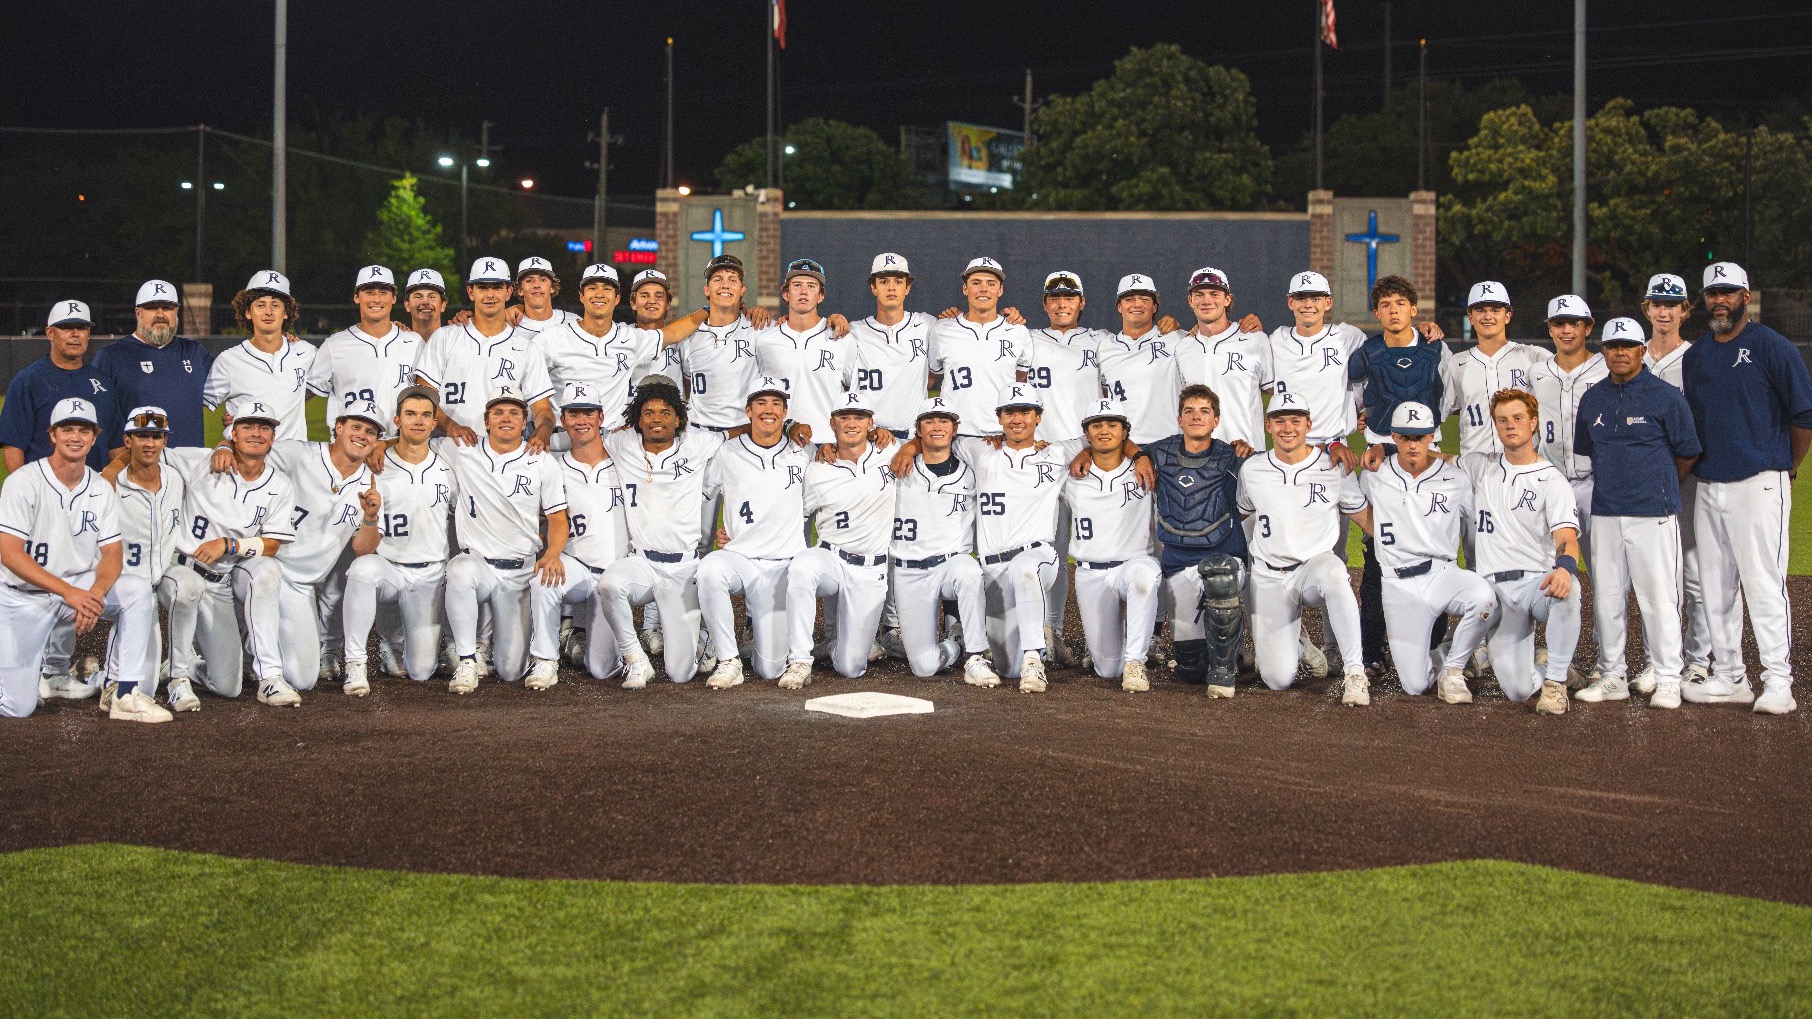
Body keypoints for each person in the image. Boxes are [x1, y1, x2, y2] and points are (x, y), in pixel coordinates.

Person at [1680, 262, 1812, 714]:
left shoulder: (1773, 347)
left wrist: (1785, 467)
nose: (1721, 300)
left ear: (1746, 296)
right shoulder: (1696, 355)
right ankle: (1729, 676)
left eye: (1729, 292)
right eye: (1713, 293)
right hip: (1709, 484)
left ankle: (1779, 681)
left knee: (1763, 583)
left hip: (1759, 483)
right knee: (1716, 587)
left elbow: (1803, 417)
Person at [895, 385, 1079, 690]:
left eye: (1025, 412)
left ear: (1038, 417)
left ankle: (1035, 658)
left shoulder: (1057, 452)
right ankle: (996, 653)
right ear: (1000, 417)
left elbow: (1106, 438)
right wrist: (908, 447)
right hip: (994, 569)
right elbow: (936, 438)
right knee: (1008, 668)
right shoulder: (980, 449)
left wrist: (1136, 456)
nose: (1017, 419)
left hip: (1039, 556)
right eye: (1010, 412)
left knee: (1024, 568)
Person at [0, 398, 161, 722]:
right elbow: (9, 553)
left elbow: (112, 554)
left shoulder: (100, 489)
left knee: (136, 590)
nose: (76, 436)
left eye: (83, 430)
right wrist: (71, 594)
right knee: (20, 707)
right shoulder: (24, 482)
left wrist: (95, 594)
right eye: (68, 429)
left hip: (75, 586)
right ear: (53, 435)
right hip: (21, 600)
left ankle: (123, 692)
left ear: (94, 436)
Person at [1569, 317, 1701, 709]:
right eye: (1613, 346)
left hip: (1652, 512)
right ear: (1604, 351)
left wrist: (1659, 485)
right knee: (1607, 597)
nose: (1620, 352)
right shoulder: (1592, 399)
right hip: (1607, 510)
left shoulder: (1665, 396)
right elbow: (1591, 449)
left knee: (1659, 599)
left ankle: (1667, 677)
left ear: (1642, 351)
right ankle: (1612, 676)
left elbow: (1688, 450)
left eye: (1628, 346)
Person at [214, 399, 386, 696]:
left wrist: (370, 518)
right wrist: (224, 447)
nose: (362, 435)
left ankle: (248, 640)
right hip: (260, 565)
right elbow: (250, 447)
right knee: (265, 576)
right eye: (356, 426)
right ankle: (244, 643)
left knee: (304, 679)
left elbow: (363, 549)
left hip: (300, 585)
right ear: (339, 427)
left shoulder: (372, 483)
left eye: (370, 431)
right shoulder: (299, 454)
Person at [158, 398, 296, 709]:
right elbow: (146, 450)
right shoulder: (201, 462)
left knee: (228, 685)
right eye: (247, 426)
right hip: (178, 570)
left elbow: (272, 544)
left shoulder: (279, 485)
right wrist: (111, 471)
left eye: (264, 428)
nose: (256, 433)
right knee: (187, 587)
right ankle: (177, 680)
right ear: (233, 432)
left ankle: (193, 667)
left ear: (273, 437)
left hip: (218, 582)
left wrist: (229, 545)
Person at [1351, 402, 1493, 702]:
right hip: (1397, 585)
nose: (1413, 443)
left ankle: (1453, 668)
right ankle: (1448, 653)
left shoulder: (1456, 479)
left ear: (1432, 436)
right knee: (1415, 685)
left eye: (1420, 436)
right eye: (1405, 436)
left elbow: (1480, 523)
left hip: (1441, 574)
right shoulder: (1374, 474)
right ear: (1393, 437)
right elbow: (1356, 508)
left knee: (1485, 597)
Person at [1237, 393, 1371, 705]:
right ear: (1268, 425)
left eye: (1296, 421)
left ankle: (1355, 672)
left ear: (1309, 425)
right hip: (1270, 577)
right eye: (1280, 420)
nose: (1288, 427)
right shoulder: (1253, 469)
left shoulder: (1333, 466)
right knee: (1277, 679)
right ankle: (1298, 644)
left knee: (1336, 575)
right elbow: (1241, 512)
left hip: (1314, 569)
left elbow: (1364, 517)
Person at [1347, 275, 1449, 675]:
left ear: (1413, 309)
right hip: (1380, 458)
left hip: (1426, 456)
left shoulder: (1434, 349)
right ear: (1377, 312)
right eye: (1385, 304)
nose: (1393, 310)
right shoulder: (1367, 352)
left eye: (1400, 303)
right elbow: (1354, 395)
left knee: (1432, 548)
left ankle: (1431, 643)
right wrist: (1361, 420)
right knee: (1377, 554)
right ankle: (1372, 650)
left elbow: (1447, 398)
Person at [598, 376, 727, 688]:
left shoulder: (699, 443)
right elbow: (586, 437)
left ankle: (704, 632)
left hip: (683, 567)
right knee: (610, 584)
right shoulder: (620, 442)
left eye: (665, 412)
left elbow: (741, 436)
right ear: (637, 420)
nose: (657, 419)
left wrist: (790, 427)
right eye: (649, 413)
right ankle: (635, 659)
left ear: (679, 418)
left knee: (681, 673)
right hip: (641, 563)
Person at [1266, 270, 1365, 676]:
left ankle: (1334, 645)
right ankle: (1293, 638)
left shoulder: (1349, 337)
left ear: (1328, 302)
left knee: (1334, 557)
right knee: (1280, 550)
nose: (1308, 303)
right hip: (1286, 453)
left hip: (1332, 456)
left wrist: (1358, 411)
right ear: (1290, 303)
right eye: (1300, 297)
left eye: (1316, 297)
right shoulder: (1272, 341)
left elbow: (1383, 365)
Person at [1460, 389, 1582, 715]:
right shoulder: (1479, 466)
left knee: (1569, 591)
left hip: (1536, 584)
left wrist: (1565, 569)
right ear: (1495, 426)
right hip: (1498, 592)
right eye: (1502, 420)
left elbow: (1566, 537)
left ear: (1533, 422)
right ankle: (1549, 669)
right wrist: (1385, 447)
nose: (1510, 426)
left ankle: (1555, 683)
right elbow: (1433, 460)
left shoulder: (1551, 481)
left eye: (1517, 419)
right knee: (1517, 690)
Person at [441, 385, 570, 694]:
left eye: (514, 412)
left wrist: (553, 553)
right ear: (486, 422)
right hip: (479, 567)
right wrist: (381, 445)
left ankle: (489, 646)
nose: (506, 418)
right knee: (459, 569)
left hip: (519, 572)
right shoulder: (463, 450)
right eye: (498, 413)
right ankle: (467, 659)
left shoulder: (541, 460)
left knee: (511, 671)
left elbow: (557, 519)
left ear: (524, 420)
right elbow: (411, 442)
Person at [1132, 386, 1247, 695]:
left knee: (1220, 576)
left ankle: (1224, 667)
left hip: (1224, 553)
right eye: (1190, 411)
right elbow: (1119, 444)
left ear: (1216, 420)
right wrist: (1139, 456)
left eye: (1205, 412)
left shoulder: (1232, 455)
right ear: (1179, 419)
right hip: (1179, 560)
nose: (1197, 417)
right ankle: (1221, 641)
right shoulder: (1159, 452)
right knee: (1190, 670)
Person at [698, 378, 812, 688]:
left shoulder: (804, 453)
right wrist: (727, 529)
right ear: (749, 410)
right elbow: (700, 494)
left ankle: (759, 643)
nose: (768, 410)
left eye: (776, 404)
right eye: (761, 403)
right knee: (709, 569)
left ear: (785, 411)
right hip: (741, 559)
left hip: (784, 566)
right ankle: (727, 659)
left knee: (770, 670)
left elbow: (819, 502)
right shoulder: (727, 452)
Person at [342, 386, 458, 688]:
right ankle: (356, 662)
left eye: (425, 415)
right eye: (410, 415)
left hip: (430, 574)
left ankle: (400, 641)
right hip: (389, 570)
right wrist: (369, 516)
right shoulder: (374, 466)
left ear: (434, 423)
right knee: (362, 571)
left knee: (421, 671)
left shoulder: (448, 465)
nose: (417, 421)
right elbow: (361, 548)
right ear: (397, 420)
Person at [881, 397, 999, 686]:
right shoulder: (897, 464)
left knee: (968, 573)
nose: (937, 427)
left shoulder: (970, 470)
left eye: (944, 421)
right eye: (929, 421)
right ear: (918, 430)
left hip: (950, 565)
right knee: (924, 666)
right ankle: (955, 646)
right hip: (910, 572)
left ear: (955, 429)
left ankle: (975, 656)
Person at [1023, 270, 1108, 665]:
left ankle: (1105, 639)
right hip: (1042, 455)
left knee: (1100, 548)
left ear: (1081, 302)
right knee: (1049, 548)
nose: (1061, 304)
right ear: (1044, 304)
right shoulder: (1026, 340)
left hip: (1089, 455)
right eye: (1054, 298)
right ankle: (1049, 630)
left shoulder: (1102, 342)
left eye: (1069, 298)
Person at [783, 392, 897, 688]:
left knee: (850, 667)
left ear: (871, 423)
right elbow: (795, 515)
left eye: (858, 417)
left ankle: (831, 647)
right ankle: (799, 659)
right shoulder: (817, 468)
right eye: (844, 417)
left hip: (870, 570)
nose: (851, 423)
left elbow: (931, 439)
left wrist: (908, 450)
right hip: (830, 560)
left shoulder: (891, 452)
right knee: (803, 566)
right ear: (832, 423)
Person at [1635, 271, 1715, 690]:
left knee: (1696, 573)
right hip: (1643, 482)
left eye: (1673, 303)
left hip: (1688, 478)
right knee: (1654, 575)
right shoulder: (1629, 355)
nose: (1664, 310)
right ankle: (1656, 659)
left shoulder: (1697, 358)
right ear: (1646, 308)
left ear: (1686, 310)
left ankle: (1698, 660)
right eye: (1657, 302)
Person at [525, 383, 630, 688]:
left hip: (616, 576)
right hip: (580, 569)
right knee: (543, 578)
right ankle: (545, 661)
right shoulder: (554, 468)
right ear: (563, 419)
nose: (581, 420)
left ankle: (605, 641)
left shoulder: (626, 460)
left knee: (600, 669)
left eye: (588, 413)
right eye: (573, 414)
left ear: (601, 417)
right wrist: (552, 554)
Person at [536, 263, 710, 430]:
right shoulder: (552, 337)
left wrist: (712, 306)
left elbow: (672, 332)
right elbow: (525, 375)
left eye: (607, 289)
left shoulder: (629, 338)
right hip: (559, 439)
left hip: (612, 441)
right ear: (581, 296)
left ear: (617, 298)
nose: (599, 294)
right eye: (592, 288)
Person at [1062, 399, 1162, 691]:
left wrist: (1140, 454)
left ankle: (1136, 662)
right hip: (1090, 574)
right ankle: (1118, 657)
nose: (1104, 430)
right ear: (1087, 433)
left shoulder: (1146, 467)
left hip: (1134, 564)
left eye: (1112, 425)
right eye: (1097, 425)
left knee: (1143, 578)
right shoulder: (1069, 474)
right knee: (1106, 669)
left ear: (1124, 432)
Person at [414, 257, 557, 448]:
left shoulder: (526, 348)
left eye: (497, 287)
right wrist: (451, 426)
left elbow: (543, 410)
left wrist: (543, 432)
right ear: (470, 292)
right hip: (448, 448)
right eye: (482, 287)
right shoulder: (445, 337)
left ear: (508, 292)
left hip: (504, 452)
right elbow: (424, 396)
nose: (490, 294)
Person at [95, 406, 187, 704]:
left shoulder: (176, 479)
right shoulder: (106, 485)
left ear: (165, 441)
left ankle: (180, 669)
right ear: (127, 440)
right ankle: (106, 679)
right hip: (122, 583)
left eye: (156, 436)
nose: (149, 443)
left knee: (144, 687)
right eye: (141, 436)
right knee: (141, 689)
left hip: (158, 578)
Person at [1526, 294, 1605, 559]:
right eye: (1559, 324)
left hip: (1596, 483)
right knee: (1545, 563)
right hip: (1551, 480)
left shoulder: (1606, 368)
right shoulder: (1537, 372)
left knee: (1604, 569)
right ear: (1550, 329)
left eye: (1574, 323)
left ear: (1588, 327)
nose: (1567, 330)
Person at [93, 280, 215, 450]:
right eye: (152, 308)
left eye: (167, 308)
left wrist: (231, 414)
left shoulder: (194, 352)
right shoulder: (112, 356)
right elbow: (98, 417)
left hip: (190, 466)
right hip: (136, 465)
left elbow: (227, 390)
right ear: (138, 313)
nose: (160, 314)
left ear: (176, 312)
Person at [1, 300, 121, 472]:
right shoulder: (28, 381)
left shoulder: (103, 382)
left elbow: (116, 443)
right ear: (50, 333)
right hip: (44, 490)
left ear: (88, 334)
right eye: (66, 327)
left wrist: (113, 484)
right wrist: (24, 490)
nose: (75, 334)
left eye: (81, 328)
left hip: (95, 490)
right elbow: (13, 444)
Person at [308, 266, 424, 437]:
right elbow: (305, 393)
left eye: (383, 292)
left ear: (393, 297)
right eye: (369, 292)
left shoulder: (414, 343)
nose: (376, 299)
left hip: (399, 448)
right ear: (356, 297)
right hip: (351, 450)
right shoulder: (335, 345)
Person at [203, 271, 317, 442]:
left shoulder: (306, 352)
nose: (268, 312)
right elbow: (199, 404)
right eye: (261, 305)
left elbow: (323, 383)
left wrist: (299, 395)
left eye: (275, 305)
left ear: (286, 312)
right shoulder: (229, 360)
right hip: (247, 460)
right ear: (248, 312)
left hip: (294, 460)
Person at [927, 257, 1031, 438]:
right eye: (976, 283)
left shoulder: (1018, 331)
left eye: (991, 283)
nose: (983, 289)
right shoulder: (942, 329)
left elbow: (1020, 380)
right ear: (965, 289)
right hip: (954, 434)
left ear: (1000, 290)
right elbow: (930, 379)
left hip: (1000, 435)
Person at [757, 259, 856, 446]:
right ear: (786, 294)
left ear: (820, 296)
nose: (803, 292)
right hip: (779, 444)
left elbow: (855, 394)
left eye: (811, 286)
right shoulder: (765, 340)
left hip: (828, 444)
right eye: (796, 285)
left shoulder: (841, 338)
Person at [1175, 267, 1272, 451]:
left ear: (1227, 299)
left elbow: (1275, 392)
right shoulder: (1183, 348)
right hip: (1199, 458)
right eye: (1199, 295)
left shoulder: (1255, 339)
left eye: (1214, 294)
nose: (1206, 300)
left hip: (1246, 453)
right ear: (1190, 301)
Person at [1445, 281, 1542, 458]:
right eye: (1480, 310)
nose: (1488, 316)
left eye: (1495, 310)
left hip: (1522, 466)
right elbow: (1437, 412)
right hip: (1474, 465)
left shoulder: (1532, 356)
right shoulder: (1457, 363)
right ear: (1470, 317)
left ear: (1507, 316)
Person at [848, 253, 939, 440]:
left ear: (908, 288)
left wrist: (1012, 318)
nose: (891, 287)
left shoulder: (927, 325)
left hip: (913, 440)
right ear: (873, 287)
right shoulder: (853, 332)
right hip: (868, 440)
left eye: (898, 281)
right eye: (883, 281)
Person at [1095, 274, 1182, 445]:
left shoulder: (1177, 339)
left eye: (1144, 299)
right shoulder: (1103, 346)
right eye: (1129, 299)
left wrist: (1249, 323)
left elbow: (1209, 336)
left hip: (1171, 442)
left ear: (1155, 306)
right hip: (1123, 445)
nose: (1137, 304)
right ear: (1119, 307)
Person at [510, 256, 576, 339]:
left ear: (552, 287)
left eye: (543, 280)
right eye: (529, 280)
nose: (537, 285)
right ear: (520, 290)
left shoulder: (574, 322)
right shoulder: (508, 325)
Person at [403, 269, 452, 341]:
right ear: (407, 305)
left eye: (432, 296)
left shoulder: (456, 342)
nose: (425, 302)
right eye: (418, 297)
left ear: (443, 304)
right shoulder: (396, 344)